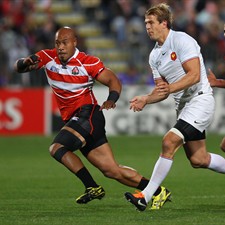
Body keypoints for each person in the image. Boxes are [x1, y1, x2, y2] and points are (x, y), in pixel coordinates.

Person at [14, 26, 171, 209]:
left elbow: (113, 81)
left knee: (57, 147)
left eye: (65, 43)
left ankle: (92, 187)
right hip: (78, 121)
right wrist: (25, 62)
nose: (61, 47)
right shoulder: (48, 57)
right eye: (58, 43)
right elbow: (20, 68)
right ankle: (158, 191)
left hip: (88, 115)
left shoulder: (87, 62)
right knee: (112, 170)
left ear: (74, 42)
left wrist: (112, 99)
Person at [124, 3, 225, 212]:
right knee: (199, 159)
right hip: (184, 107)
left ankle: (146, 195)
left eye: (151, 23)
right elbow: (162, 90)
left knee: (169, 142)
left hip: (200, 100)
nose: (147, 27)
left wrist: (169, 88)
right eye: (145, 23)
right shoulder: (154, 56)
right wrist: (146, 99)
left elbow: (195, 75)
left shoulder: (181, 40)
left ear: (164, 23)